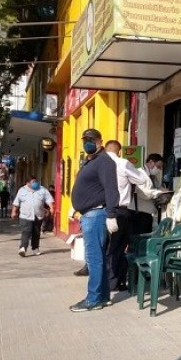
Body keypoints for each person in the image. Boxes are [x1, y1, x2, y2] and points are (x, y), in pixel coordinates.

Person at [69, 128, 120, 312]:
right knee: (98, 258)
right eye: (85, 140)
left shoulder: (104, 161)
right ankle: (103, 296)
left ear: (100, 141)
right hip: (90, 214)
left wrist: (111, 214)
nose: (87, 143)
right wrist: (76, 205)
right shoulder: (92, 161)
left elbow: (111, 189)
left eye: (91, 139)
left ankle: (93, 299)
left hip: (96, 215)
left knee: (93, 259)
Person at [104, 140, 162, 292]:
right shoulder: (131, 168)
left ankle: (118, 280)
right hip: (132, 213)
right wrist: (158, 193)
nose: (159, 169)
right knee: (122, 247)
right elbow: (142, 188)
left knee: (117, 247)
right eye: (158, 166)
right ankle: (115, 281)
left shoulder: (100, 164)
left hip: (122, 212)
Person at [11, 176, 54, 257]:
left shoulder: (42, 190)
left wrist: (51, 208)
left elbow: (49, 199)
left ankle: (35, 248)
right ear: (28, 183)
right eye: (33, 182)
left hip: (38, 215)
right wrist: (14, 211)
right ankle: (23, 248)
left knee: (36, 232)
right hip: (25, 215)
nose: (36, 183)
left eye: (36, 181)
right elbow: (16, 202)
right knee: (26, 231)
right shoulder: (22, 190)